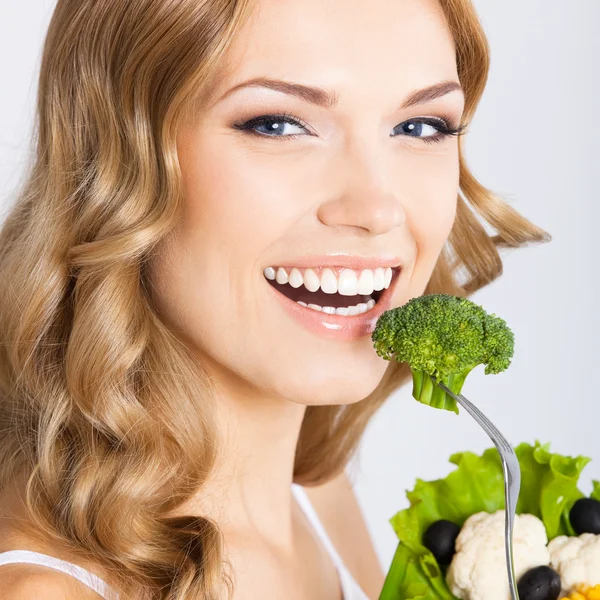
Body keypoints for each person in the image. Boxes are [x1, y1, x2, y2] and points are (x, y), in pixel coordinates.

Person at [0, 0, 550, 598]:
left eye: (420, 127)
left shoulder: (316, 497)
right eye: (277, 124)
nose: (376, 209)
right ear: (113, 156)